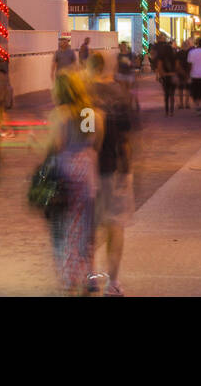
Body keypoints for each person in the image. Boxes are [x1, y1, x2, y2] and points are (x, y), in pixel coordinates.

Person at [43, 70, 102, 294]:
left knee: (66, 226)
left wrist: (34, 144)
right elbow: (96, 143)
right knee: (87, 226)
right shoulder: (92, 113)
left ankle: (70, 278)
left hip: (66, 173)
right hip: (88, 172)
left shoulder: (61, 114)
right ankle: (90, 275)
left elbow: (55, 146)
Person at [87, 52, 134, 296]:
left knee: (89, 225)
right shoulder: (119, 94)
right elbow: (127, 136)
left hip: (88, 169)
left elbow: (85, 135)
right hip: (114, 166)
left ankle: (90, 275)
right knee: (115, 225)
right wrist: (128, 167)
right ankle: (112, 281)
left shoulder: (83, 94)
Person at [154, 36, 178, 116]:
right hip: (173, 76)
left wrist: (161, 75)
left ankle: (167, 111)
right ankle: (172, 111)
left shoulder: (161, 57)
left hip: (165, 77)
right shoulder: (174, 57)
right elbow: (177, 67)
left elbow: (159, 67)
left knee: (166, 94)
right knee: (172, 95)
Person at [116, 41, 139, 111]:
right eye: (122, 46)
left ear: (126, 46)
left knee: (130, 90)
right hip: (121, 74)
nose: (123, 47)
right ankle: (126, 104)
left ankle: (130, 103)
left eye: (124, 45)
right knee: (124, 91)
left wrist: (130, 63)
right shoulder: (119, 55)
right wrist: (116, 73)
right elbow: (117, 65)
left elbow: (136, 63)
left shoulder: (131, 54)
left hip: (129, 73)